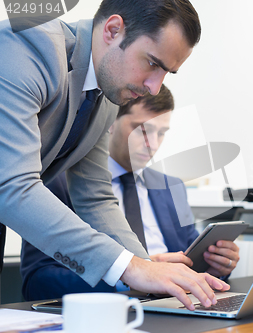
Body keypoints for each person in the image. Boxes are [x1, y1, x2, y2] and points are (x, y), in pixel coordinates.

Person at [0, 0, 228, 310]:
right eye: (152, 63)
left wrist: (147, 267)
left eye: (167, 73)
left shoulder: (106, 91)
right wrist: (129, 267)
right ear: (113, 30)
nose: (154, 86)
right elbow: (12, 186)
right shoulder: (24, 45)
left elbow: (94, 197)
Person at [21, 85, 240, 300]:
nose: (152, 144)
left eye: (161, 133)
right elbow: (37, 282)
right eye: (142, 130)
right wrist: (129, 272)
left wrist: (215, 264)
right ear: (109, 123)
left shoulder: (171, 187)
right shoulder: (58, 183)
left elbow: (190, 258)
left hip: (174, 306)